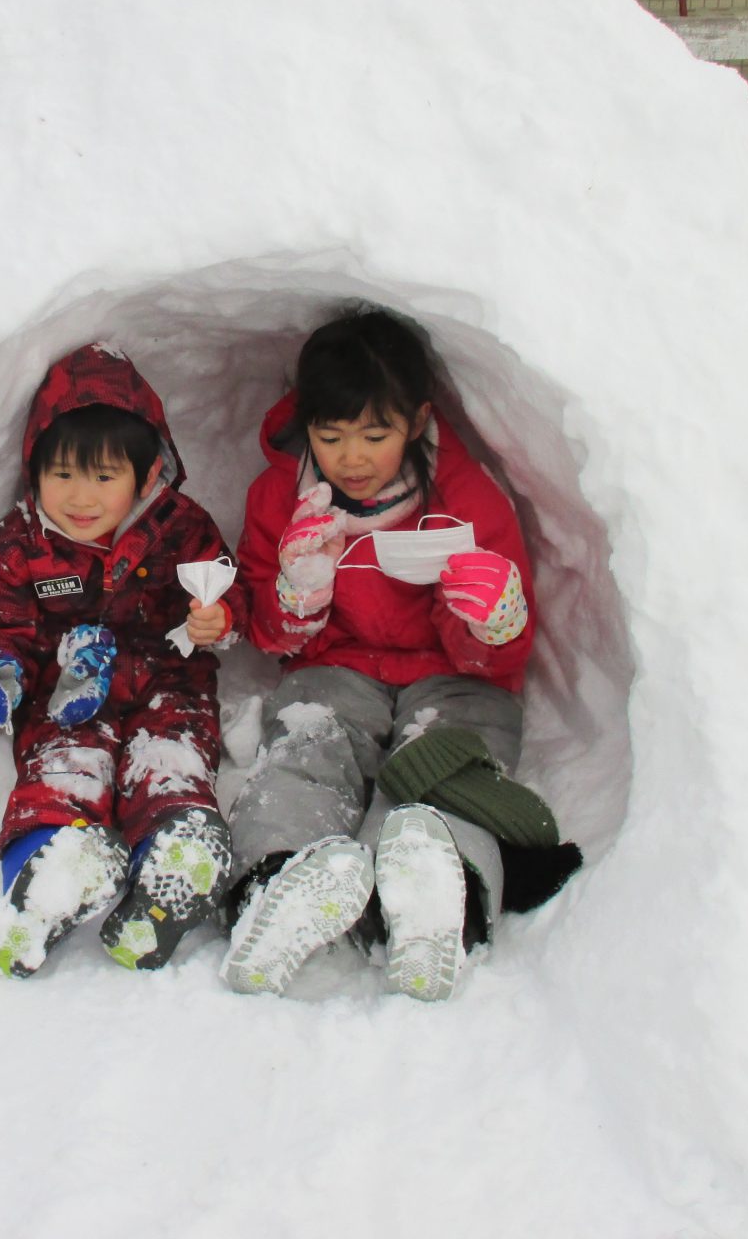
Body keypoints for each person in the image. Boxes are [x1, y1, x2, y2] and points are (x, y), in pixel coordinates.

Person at [220, 307, 580, 1002]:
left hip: (453, 679)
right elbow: (270, 635)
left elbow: (499, 655)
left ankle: (436, 894)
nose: (352, 458)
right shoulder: (280, 498)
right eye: (331, 436)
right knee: (305, 749)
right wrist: (298, 594)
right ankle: (275, 883)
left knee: (448, 770)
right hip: (335, 668)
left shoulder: (465, 497)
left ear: (416, 422)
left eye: (375, 435)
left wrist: (490, 620)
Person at [0, 343, 246, 977]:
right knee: (62, 768)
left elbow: (228, 583)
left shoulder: (180, 527)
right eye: (62, 474)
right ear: (35, 469)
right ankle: (48, 876)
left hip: (167, 679)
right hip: (66, 692)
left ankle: (173, 862)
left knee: (170, 758)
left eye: (103, 477)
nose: (80, 497)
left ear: (146, 475)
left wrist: (219, 616)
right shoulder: (16, 545)